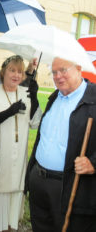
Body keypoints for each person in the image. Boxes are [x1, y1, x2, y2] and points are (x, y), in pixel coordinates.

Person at [26, 57, 96, 232]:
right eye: (54, 72)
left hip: (71, 185)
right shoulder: (55, 96)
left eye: (63, 70)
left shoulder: (93, 98)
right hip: (39, 182)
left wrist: (93, 163)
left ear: (79, 68)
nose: (58, 76)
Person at [0, 55, 42, 232]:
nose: (16, 74)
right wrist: (9, 112)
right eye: (12, 70)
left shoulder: (25, 93)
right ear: (3, 72)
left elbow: (35, 123)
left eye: (20, 71)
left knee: (10, 217)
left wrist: (33, 98)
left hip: (18, 158)